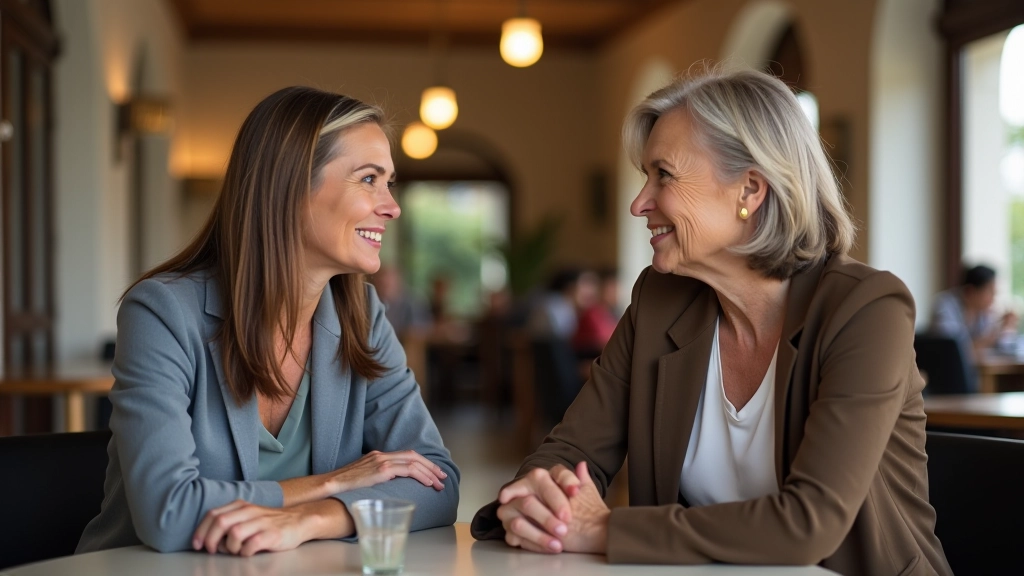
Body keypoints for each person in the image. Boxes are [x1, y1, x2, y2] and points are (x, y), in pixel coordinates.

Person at [471, 67, 950, 575]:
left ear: (749, 190)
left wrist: (604, 530)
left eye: (664, 175)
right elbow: (568, 451)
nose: (639, 203)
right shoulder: (660, 301)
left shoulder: (865, 310)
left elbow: (809, 523)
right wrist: (543, 501)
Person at [77, 87, 459, 556]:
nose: (391, 206)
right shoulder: (162, 313)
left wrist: (309, 519)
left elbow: (438, 482)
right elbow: (168, 512)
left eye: (389, 183)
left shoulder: (363, 315)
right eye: (368, 179)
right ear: (289, 186)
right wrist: (332, 482)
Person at [930, 264, 1018, 363]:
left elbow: (999, 345)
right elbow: (954, 349)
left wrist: (1004, 328)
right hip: (946, 368)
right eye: (990, 292)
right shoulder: (945, 306)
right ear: (970, 291)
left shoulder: (982, 313)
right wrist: (993, 335)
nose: (992, 299)